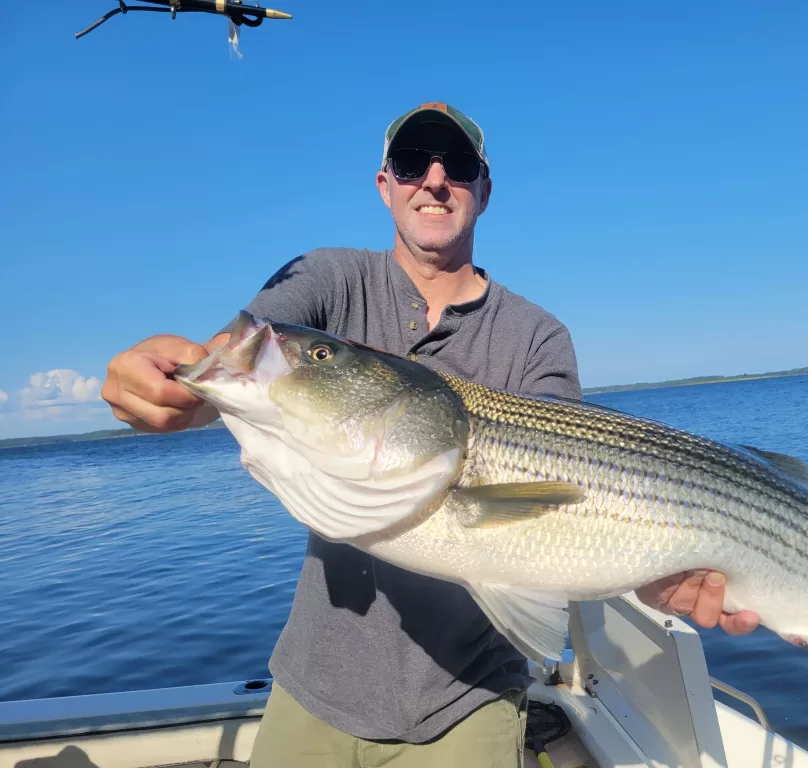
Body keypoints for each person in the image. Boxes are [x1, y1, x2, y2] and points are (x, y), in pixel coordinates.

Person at [101, 102, 760, 767]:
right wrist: (178, 380)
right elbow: (243, 349)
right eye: (413, 163)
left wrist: (650, 565)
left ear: (484, 190)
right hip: (313, 689)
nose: (435, 180)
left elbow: (560, 512)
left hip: (469, 699)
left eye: (459, 166)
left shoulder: (537, 336)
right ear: (386, 185)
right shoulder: (329, 278)